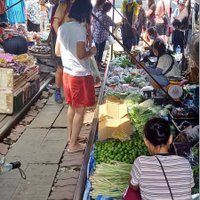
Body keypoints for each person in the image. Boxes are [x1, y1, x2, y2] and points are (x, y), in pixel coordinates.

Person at [55, 0, 97, 152]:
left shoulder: (62, 28)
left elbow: (57, 52)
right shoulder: (79, 29)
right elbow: (80, 54)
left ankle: (71, 137)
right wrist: (91, 51)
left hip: (67, 73)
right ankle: (73, 145)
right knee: (81, 110)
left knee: (72, 106)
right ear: (84, 13)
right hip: (79, 75)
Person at [123, 117, 194, 200]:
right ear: (170, 139)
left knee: (131, 193)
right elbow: (190, 188)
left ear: (145, 141)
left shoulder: (141, 162)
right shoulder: (184, 162)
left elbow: (134, 186)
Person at [51, 0, 72, 104]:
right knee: (61, 68)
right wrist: (61, 38)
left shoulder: (81, 5)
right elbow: (55, 23)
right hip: (63, 42)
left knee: (71, 68)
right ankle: (58, 90)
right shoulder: (64, 4)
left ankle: (69, 91)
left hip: (74, 43)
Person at [93, 2, 115, 70]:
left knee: (97, 50)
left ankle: (97, 64)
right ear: (108, 9)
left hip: (96, 35)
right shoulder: (106, 17)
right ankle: (98, 65)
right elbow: (113, 24)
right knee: (100, 51)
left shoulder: (97, 14)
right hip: (102, 37)